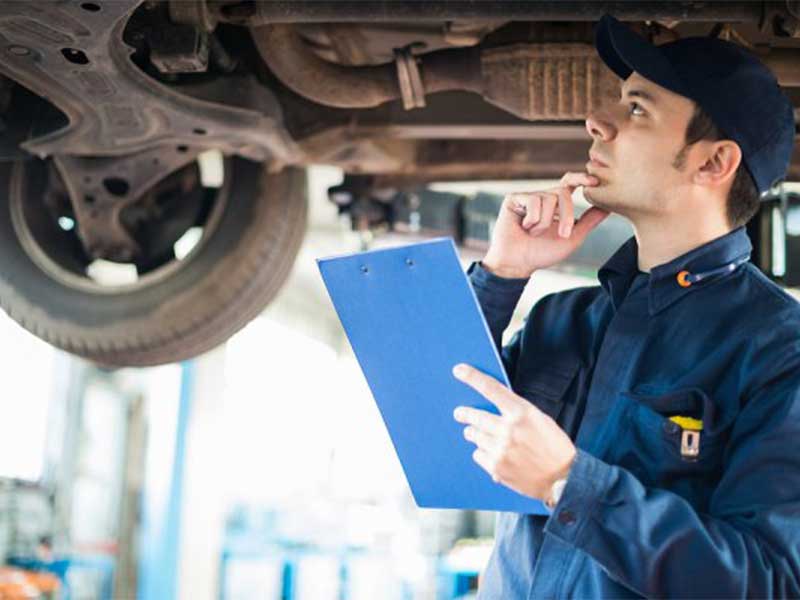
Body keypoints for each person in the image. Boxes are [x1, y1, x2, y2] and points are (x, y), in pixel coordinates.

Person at [451, 14, 799, 599]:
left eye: (637, 109)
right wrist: (502, 273)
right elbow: (438, 445)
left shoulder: (779, 350)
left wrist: (569, 484)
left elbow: (768, 583)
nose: (597, 120)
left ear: (713, 162)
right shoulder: (559, 319)